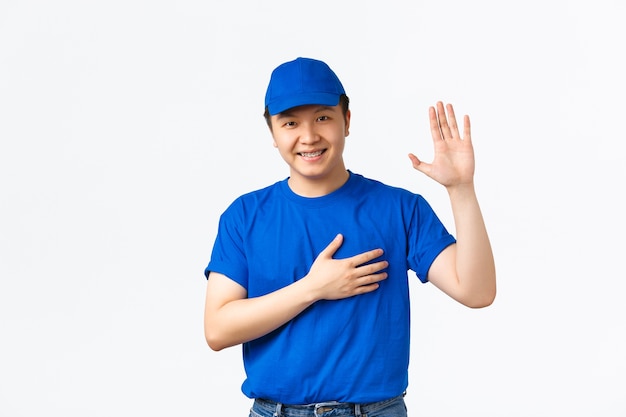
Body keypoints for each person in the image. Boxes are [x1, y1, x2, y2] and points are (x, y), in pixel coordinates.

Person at [203, 57, 496, 417]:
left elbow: (477, 291)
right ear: (273, 133)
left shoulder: (399, 208)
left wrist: (461, 190)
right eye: (290, 123)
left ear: (348, 121)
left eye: (323, 117)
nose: (309, 136)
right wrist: (313, 288)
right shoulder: (244, 216)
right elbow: (217, 329)